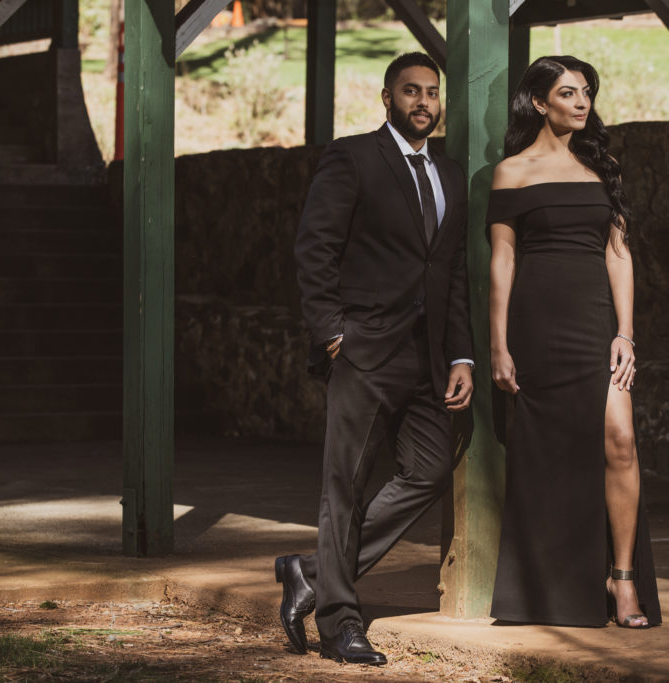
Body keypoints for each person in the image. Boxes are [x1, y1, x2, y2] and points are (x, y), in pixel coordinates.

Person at [276, 52, 475, 665]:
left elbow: (451, 270)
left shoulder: (449, 171)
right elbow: (315, 249)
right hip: (363, 351)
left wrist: (463, 354)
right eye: (411, 91)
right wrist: (334, 334)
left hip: (429, 357)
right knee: (346, 489)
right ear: (387, 98)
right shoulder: (353, 156)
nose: (423, 102)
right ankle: (340, 623)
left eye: (432, 93)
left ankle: (309, 571)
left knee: (431, 468)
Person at [486, 56, 662, 628]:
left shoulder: (600, 166)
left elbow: (620, 254)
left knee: (620, 439)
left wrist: (625, 333)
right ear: (540, 102)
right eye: (568, 92)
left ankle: (623, 578)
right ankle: (549, 589)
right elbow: (503, 259)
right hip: (536, 325)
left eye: (587, 91)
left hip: (595, 325)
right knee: (549, 457)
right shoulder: (512, 172)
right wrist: (498, 344)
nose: (582, 102)